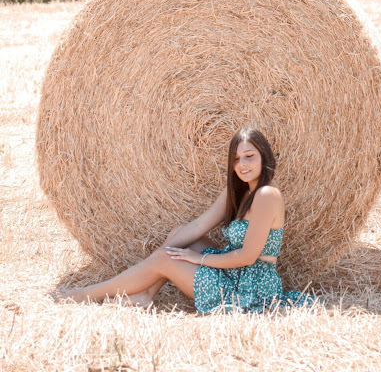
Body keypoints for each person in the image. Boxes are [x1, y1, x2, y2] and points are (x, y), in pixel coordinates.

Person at [58, 128, 316, 312]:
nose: (242, 164)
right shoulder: (238, 191)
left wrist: (198, 259)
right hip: (233, 273)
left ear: (264, 157)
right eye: (236, 159)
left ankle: (85, 295)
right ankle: (146, 293)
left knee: (171, 256)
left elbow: (247, 257)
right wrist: (164, 252)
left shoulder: (267, 195)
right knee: (180, 235)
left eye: (250, 156)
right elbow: (198, 226)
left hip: (250, 289)